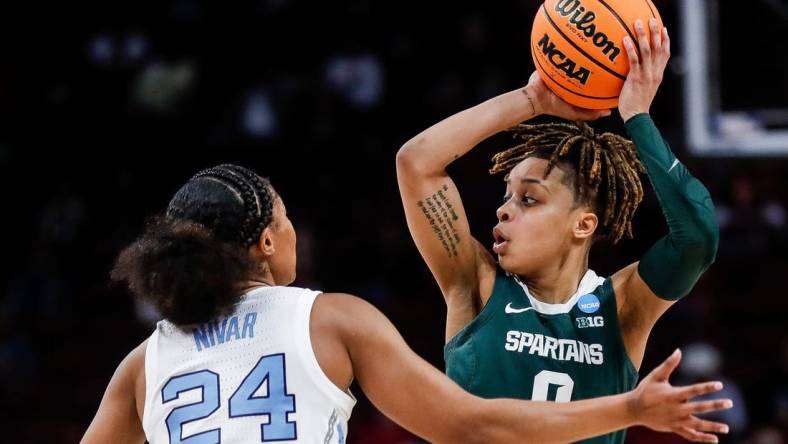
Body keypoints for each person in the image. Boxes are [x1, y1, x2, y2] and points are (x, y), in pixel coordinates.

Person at [82, 164, 730, 444]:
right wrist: (629, 408)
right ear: (268, 240)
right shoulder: (327, 317)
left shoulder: (143, 364)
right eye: (288, 217)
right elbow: (473, 428)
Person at [396, 18, 718, 444]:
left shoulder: (621, 307)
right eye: (507, 196)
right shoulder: (476, 284)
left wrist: (636, 116)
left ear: (583, 224)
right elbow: (416, 163)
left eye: (528, 198)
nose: (504, 210)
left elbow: (697, 236)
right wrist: (532, 99)